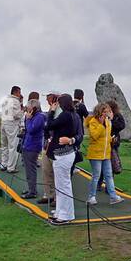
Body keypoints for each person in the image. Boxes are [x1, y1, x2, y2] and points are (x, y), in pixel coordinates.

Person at [47, 91, 81, 223]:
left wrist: (51, 111)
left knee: (63, 185)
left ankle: (66, 215)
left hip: (63, 154)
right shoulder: (73, 115)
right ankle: (61, 212)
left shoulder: (65, 115)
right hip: (66, 153)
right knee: (60, 184)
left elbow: (49, 125)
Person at [81, 101, 115, 210]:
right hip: (95, 154)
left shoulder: (108, 122)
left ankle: (113, 196)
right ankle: (91, 197)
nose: (106, 114)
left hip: (106, 153)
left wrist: (112, 139)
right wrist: (101, 125)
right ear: (99, 112)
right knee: (96, 176)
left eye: (108, 112)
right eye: (104, 112)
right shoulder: (94, 122)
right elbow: (95, 136)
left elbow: (106, 137)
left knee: (109, 175)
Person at [0, 88, 25, 174]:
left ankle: (4, 164)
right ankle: (11, 167)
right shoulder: (15, 101)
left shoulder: (5, 100)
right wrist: (23, 110)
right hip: (12, 124)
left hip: (3, 123)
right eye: (19, 92)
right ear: (16, 92)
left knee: (4, 145)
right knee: (13, 146)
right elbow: (17, 115)